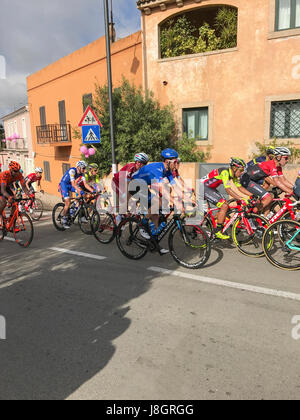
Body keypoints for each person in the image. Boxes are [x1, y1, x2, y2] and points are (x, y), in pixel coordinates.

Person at [131, 149, 179, 252]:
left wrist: (186, 198)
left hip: (143, 186)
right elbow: (161, 188)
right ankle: (143, 224)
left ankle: (154, 242)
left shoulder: (168, 171)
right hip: (134, 185)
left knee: (156, 214)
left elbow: (176, 186)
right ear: (168, 161)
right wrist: (174, 201)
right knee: (158, 201)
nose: (176, 164)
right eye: (175, 161)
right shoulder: (158, 169)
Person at [200, 158, 252, 240]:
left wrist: (251, 195)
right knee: (224, 206)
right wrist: (241, 199)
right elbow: (228, 190)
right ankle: (218, 231)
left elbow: (240, 187)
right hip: (202, 188)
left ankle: (212, 223)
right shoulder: (225, 172)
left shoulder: (233, 175)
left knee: (225, 206)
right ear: (234, 168)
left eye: (243, 170)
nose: (242, 173)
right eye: (241, 170)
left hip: (210, 188)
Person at [240, 147, 294, 215]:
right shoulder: (272, 164)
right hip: (247, 180)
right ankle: (250, 216)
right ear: (279, 157)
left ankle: (264, 219)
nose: (287, 160)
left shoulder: (278, 167)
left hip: (254, 179)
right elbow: (277, 182)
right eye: (286, 158)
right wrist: (290, 191)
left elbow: (283, 180)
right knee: (268, 198)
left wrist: (294, 188)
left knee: (269, 199)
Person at [112, 153, 150, 223]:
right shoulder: (131, 167)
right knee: (126, 197)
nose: (144, 166)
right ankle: (119, 216)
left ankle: (127, 215)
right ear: (137, 162)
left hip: (126, 183)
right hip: (117, 182)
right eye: (142, 163)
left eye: (145, 164)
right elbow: (128, 184)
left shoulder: (141, 170)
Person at [0, 161, 32, 225]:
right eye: (15, 171)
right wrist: (8, 197)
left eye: (18, 171)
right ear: (11, 170)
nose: (17, 173)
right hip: (1, 187)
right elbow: (3, 191)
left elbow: (23, 186)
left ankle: (11, 219)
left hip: (7, 187)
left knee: (15, 202)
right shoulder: (5, 174)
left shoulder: (19, 174)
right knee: (3, 201)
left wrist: (29, 194)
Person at [59, 161, 88, 229]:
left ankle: (74, 208)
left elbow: (85, 184)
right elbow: (73, 184)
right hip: (64, 185)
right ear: (78, 167)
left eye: (85, 168)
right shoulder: (72, 171)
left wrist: (93, 191)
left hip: (70, 185)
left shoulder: (82, 173)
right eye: (83, 168)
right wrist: (80, 191)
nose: (84, 170)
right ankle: (63, 220)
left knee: (81, 194)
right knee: (68, 202)